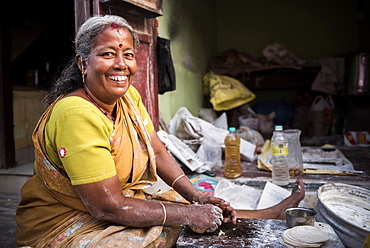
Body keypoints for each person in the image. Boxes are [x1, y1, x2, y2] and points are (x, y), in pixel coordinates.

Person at [15, 15, 304, 248]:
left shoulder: (128, 98)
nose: (121, 64)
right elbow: (108, 208)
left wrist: (197, 198)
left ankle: (266, 214)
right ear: (82, 63)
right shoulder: (75, 114)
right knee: (171, 229)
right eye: (107, 54)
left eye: (128, 54)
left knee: (183, 206)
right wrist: (190, 213)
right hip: (66, 221)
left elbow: (156, 149)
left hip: (117, 201)